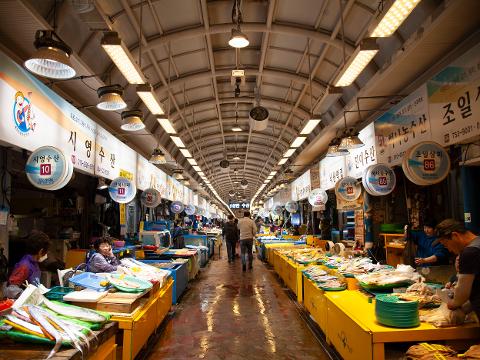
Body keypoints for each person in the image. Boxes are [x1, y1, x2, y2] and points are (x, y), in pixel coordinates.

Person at [434, 219, 480, 319]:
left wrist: (453, 304)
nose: (449, 250)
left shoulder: (470, 252)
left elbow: (462, 292)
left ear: (455, 235)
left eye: (446, 245)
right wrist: (464, 309)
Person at [4, 231, 50, 298]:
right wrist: (27, 296)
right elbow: (11, 290)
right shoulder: (24, 266)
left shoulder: (35, 263)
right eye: (45, 252)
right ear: (40, 251)